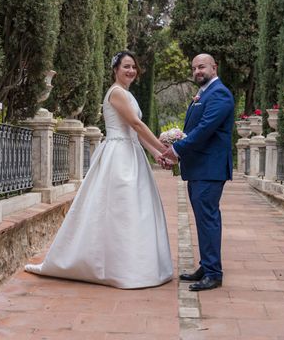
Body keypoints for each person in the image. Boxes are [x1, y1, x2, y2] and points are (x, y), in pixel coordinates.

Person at [25, 51, 173, 289]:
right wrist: (165, 148)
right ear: (115, 69)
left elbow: (134, 132)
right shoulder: (115, 93)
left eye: (134, 67)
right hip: (119, 156)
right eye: (126, 66)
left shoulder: (127, 94)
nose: (131, 71)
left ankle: (134, 266)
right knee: (118, 208)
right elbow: (136, 124)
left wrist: (157, 154)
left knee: (134, 209)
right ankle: (110, 266)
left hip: (131, 152)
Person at [162, 53, 234, 291]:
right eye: (193, 68)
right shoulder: (204, 94)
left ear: (214, 67)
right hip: (199, 168)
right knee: (203, 220)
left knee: (208, 219)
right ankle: (207, 265)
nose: (197, 72)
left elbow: (204, 130)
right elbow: (194, 128)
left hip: (210, 169)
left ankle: (213, 273)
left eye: (201, 67)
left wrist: (176, 149)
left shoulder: (220, 94)